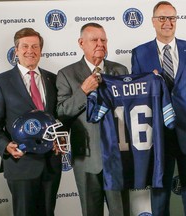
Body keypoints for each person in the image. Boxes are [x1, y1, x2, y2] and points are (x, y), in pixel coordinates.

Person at [131, 1, 186, 216]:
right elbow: (138, 98)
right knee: (160, 191)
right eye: (163, 18)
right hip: (157, 133)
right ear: (153, 22)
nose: (168, 23)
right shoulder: (139, 53)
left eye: (172, 18)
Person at [56, 22, 130, 216]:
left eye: (103, 40)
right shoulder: (67, 74)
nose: (100, 44)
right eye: (94, 40)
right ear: (81, 43)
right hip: (86, 159)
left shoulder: (121, 71)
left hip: (118, 158)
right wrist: (83, 91)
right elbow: (61, 114)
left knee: (121, 211)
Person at [0, 28, 61, 216]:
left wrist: (61, 139)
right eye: (25, 46)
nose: (31, 51)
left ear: (41, 50)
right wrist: (6, 146)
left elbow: (60, 116)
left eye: (35, 46)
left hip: (51, 163)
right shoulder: (1, 82)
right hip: (21, 163)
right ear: (16, 51)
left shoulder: (54, 79)